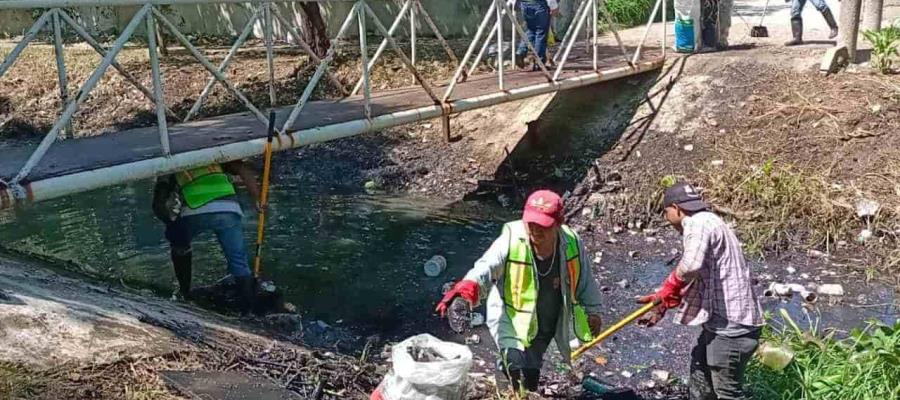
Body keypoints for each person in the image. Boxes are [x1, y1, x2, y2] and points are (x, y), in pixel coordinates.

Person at [436, 190, 603, 393]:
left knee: (533, 364)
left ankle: (529, 391)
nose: (535, 230)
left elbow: (585, 280)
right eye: (531, 223)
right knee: (511, 361)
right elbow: (486, 266)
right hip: (511, 315)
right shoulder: (512, 238)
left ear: (558, 224)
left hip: (548, 319)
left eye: (543, 225)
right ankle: (507, 393)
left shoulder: (571, 242)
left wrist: (593, 311)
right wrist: (464, 294)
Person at [637, 181, 764, 400]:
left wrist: (669, 286)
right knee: (700, 375)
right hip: (725, 325)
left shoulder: (696, 223)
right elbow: (701, 278)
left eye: (666, 212)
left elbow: (690, 266)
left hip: (731, 330)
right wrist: (664, 301)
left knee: (727, 393)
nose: (668, 220)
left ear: (676, 208)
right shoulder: (711, 221)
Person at [152, 161, 260, 313]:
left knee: (180, 245)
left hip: (194, 209)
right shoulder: (215, 156)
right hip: (229, 208)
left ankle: (185, 293)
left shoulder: (170, 161)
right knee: (238, 261)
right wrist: (258, 198)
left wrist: (171, 226)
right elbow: (242, 168)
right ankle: (249, 308)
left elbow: (158, 205)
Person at [514, 0, 559, 71]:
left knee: (531, 30)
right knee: (541, 33)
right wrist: (554, 6)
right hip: (539, 4)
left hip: (525, 4)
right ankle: (539, 62)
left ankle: (520, 52)